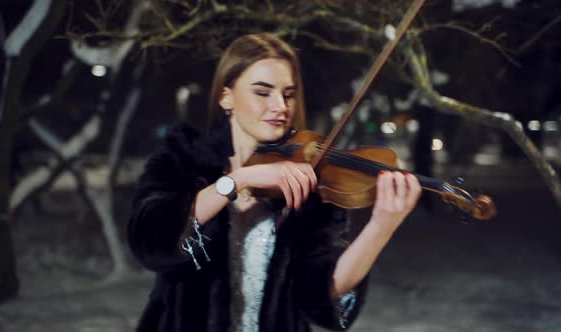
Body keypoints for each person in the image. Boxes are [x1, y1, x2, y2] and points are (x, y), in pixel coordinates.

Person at [128, 33, 421, 332]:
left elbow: (320, 298)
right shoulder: (183, 157)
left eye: (289, 94)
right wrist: (238, 179)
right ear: (226, 96)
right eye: (263, 92)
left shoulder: (309, 179)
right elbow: (150, 242)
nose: (280, 105)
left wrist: (380, 229)